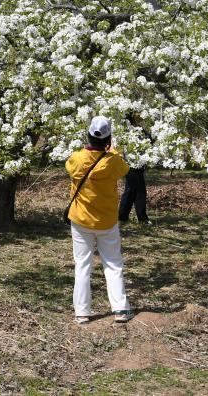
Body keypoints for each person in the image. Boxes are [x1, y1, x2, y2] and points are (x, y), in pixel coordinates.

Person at [65, 116, 135, 324]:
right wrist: (112, 150)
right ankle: (120, 309)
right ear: (109, 139)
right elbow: (124, 169)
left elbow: (70, 167)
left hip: (81, 220)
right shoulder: (113, 161)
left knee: (82, 265)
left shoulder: (77, 159)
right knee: (113, 264)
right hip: (106, 220)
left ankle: (82, 311)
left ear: (88, 136)